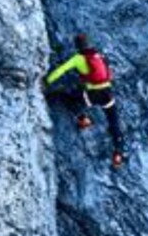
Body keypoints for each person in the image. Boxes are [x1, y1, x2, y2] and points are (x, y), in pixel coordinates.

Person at [44, 33, 126, 168]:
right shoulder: (99, 55)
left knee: (68, 98)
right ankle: (118, 153)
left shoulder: (78, 58)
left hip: (93, 94)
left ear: (78, 47)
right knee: (113, 122)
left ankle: (83, 119)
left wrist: (47, 80)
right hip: (108, 93)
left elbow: (62, 70)